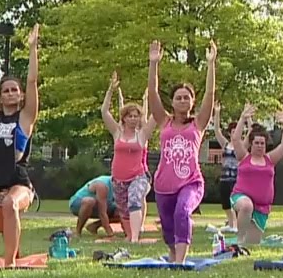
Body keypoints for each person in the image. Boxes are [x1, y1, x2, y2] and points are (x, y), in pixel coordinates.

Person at [146, 40, 217, 263]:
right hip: (163, 184)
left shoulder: (198, 123)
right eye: (179, 97)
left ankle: (181, 260)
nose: (183, 100)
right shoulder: (164, 121)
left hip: (190, 181)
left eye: (187, 97)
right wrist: (153, 64)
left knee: (182, 211)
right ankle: (173, 254)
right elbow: (152, 93)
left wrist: (211, 64)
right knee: (167, 225)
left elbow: (210, 93)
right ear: (173, 102)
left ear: (192, 102)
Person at [0, 22, 40, 263]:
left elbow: (33, 81)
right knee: (4, 227)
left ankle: (9, 264)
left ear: (21, 94)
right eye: (5, 90)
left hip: (18, 181)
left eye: (15, 89)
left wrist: (33, 48)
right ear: (0, 96)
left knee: (11, 204)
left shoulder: (25, 118)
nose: (11, 93)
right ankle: (14, 252)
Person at [101, 71, 155, 242]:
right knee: (123, 209)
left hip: (138, 177)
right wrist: (110, 91)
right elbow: (104, 112)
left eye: (136, 116)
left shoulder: (142, 134)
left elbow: (156, 115)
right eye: (129, 116)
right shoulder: (117, 132)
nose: (133, 119)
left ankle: (135, 238)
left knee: (134, 199)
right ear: (123, 118)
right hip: (118, 179)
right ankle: (131, 235)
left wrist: (151, 94)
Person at [229, 103, 283, 246]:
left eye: (262, 143)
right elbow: (236, 140)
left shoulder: (269, 159)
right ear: (251, 144)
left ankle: (245, 240)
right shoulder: (244, 157)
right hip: (241, 197)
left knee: (253, 243)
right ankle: (239, 239)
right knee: (246, 206)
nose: (259, 146)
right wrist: (243, 118)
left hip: (262, 207)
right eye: (256, 143)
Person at [212, 104, 239, 233]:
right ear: (230, 133)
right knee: (225, 202)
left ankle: (236, 225)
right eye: (233, 131)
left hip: (236, 178)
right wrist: (217, 113)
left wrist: (247, 118)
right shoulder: (226, 144)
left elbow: (251, 131)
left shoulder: (242, 145)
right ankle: (231, 223)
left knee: (235, 202)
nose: (235, 134)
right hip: (224, 178)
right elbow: (217, 130)